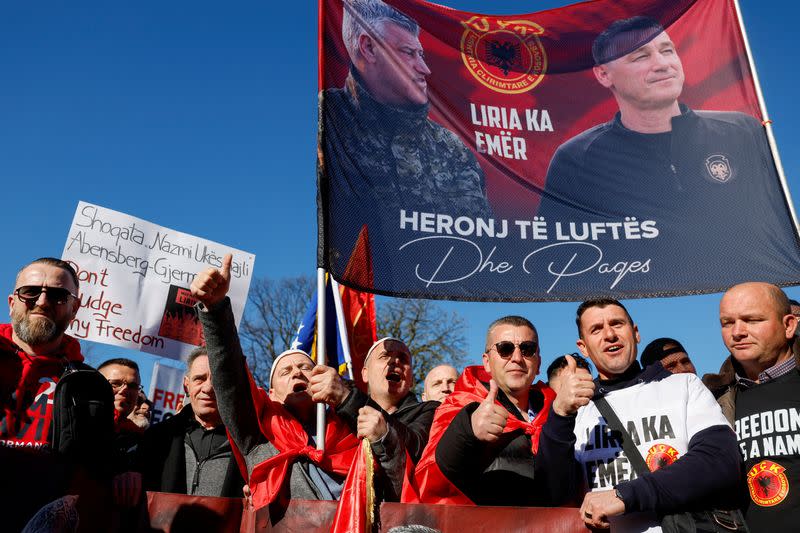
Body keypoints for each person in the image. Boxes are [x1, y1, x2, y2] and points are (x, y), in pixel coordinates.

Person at [540, 16, 800, 289]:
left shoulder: (742, 132)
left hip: (746, 292)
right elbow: (557, 253)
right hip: (649, 300)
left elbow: (775, 222)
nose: (662, 64)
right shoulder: (577, 158)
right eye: (640, 57)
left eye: (667, 50)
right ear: (604, 74)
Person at [322, 0, 492, 279]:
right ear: (368, 47)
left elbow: (483, 250)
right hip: (351, 304)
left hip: (440, 311)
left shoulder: (452, 150)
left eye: (420, 54)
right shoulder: (328, 123)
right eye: (408, 53)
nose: (424, 69)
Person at [546, 298, 741, 531]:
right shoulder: (576, 411)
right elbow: (554, 493)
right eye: (596, 329)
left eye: (617, 324)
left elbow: (720, 460)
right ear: (584, 347)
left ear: (636, 333)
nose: (609, 334)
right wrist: (559, 415)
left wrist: (625, 495)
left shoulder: (684, 385)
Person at [190, 255, 359, 511]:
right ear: (272, 393)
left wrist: (347, 398)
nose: (297, 373)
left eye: (305, 368)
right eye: (285, 371)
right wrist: (215, 310)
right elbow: (231, 377)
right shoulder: (257, 433)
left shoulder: (353, 428)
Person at [406, 316, 575, 506]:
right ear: (487, 362)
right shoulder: (462, 404)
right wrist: (468, 432)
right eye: (505, 349)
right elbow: (433, 475)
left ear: (538, 363)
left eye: (527, 349)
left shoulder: (556, 411)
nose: (517, 358)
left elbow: (565, 489)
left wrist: (562, 417)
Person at [702, 283, 799, 531]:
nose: (737, 332)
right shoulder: (708, 401)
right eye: (727, 322)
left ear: (788, 325)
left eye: (752, 320)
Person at [309, 337, 438, 502]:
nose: (395, 361)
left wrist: (346, 399)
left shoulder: (431, 410)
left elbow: (417, 448)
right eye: (385, 356)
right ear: (365, 373)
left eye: (403, 359)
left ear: (411, 379)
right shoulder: (334, 419)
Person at [1, 258, 87, 450]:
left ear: (74, 308)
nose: (42, 302)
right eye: (30, 291)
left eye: (58, 295)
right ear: (11, 303)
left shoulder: (88, 388)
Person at [136, 347, 244, 497]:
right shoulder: (156, 438)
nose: (208, 388)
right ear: (186, 385)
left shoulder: (249, 444)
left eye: (218, 379)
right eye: (199, 378)